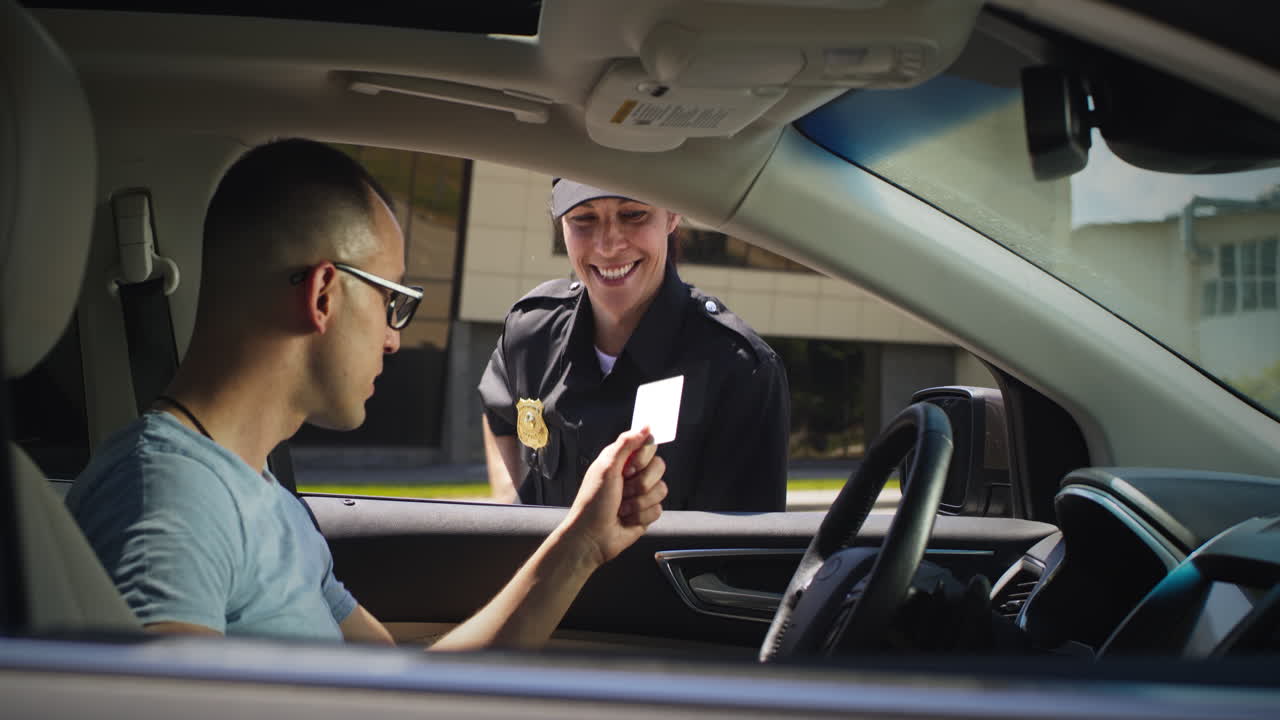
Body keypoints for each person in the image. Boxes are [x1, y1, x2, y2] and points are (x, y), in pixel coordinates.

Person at [66, 139, 667, 648]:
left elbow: (404, 686)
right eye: (392, 301)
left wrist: (583, 543)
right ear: (324, 293)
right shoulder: (170, 501)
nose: (392, 339)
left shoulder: (261, 496)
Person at [478, 179, 789, 511]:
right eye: (584, 218)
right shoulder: (531, 332)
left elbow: (746, 548)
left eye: (633, 214)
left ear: (672, 216)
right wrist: (515, 509)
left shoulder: (739, 367)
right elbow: (499, 411)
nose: (608, 244)